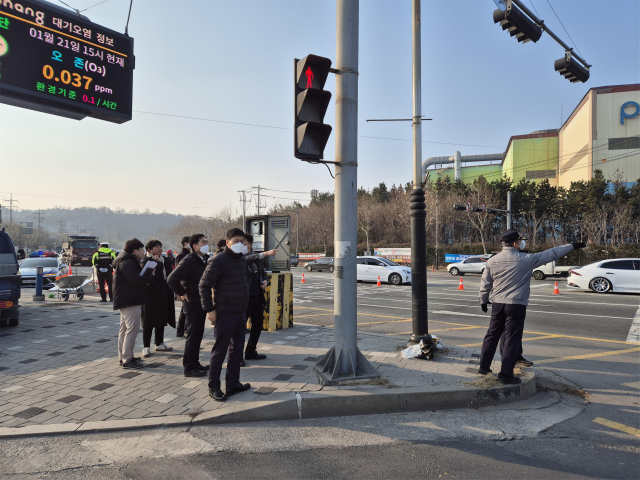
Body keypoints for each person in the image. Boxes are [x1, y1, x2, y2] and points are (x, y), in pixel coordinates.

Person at [478, 230, 586, 384]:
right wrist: (572, 246)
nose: (522, 243)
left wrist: (483, 299)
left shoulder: (492, 260)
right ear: (515, 243)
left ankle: (483, 367)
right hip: (516, 305)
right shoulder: (527, 259)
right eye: (520, 241)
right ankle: (505, 375)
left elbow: (485, 282)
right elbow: (552, 253)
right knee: (511, 339)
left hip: (497, 304)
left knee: (492, 335)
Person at [199, 228, 251, 402]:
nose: (240, 244)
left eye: (242, 241)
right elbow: (204, 286)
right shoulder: (219, 260)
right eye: (236, 240)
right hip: (224, 312)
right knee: (220, 351)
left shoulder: (242, 260)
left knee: (237, 351)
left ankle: (233, 383)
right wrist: (209, 309)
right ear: (228, 242)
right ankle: (213, 387)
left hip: (240, 312)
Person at [167, 234, 210, 378]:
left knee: (198, 334)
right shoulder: (189, 260)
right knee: (193, 335)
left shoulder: (201, 259)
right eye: (203, 242)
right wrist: (182, 293)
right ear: (195, 246)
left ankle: (195, 363)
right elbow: (172, 279)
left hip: (200, 301)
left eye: (206, 242)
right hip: (192, 302)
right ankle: (189, 368)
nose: (206, 244)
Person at [112, 238, 155, 369]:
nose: (143, 252)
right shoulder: (127, 262)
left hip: (128, 299)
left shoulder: (126, 260)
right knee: (132, 330)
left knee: (125, 329)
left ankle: (124, 356)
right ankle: (127, 359)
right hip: (130, 300)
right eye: (142, 250)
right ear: (135, 251)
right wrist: (151, 276)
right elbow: (135, 280)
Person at [141, 240, 175, 357]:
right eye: (156, 247)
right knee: (148, 321)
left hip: (163, 293)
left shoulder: (164, 259)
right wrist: (158, 263)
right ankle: (146, 347)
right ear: (149, 250)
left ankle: (159, 343)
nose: (160, 249)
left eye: (161, 246)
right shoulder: (146, 261)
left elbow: (169, 275)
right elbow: (150, 277)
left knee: (161, 319)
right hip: (150, 296)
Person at [243, 234, 268, 361]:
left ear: (250, 244)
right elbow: (247, 260)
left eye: (244, 242)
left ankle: (250, 351)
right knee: (240, 328)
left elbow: (263, 273)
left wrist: (265, 281)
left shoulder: (257, 259)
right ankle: (237, 356)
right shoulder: (238, 258)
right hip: (243, 299)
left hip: (257, 296)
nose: (242, 245)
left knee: (257, 325)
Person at [175, 236, 191, 338]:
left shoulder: (187, 254)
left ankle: (181, 330)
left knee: (184, 310)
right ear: (185, 243)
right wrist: (181, 291)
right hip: (184, 287)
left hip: (185, 286)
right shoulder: (182, 255)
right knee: (185, 310)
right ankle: (182, 330)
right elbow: (178, 274)